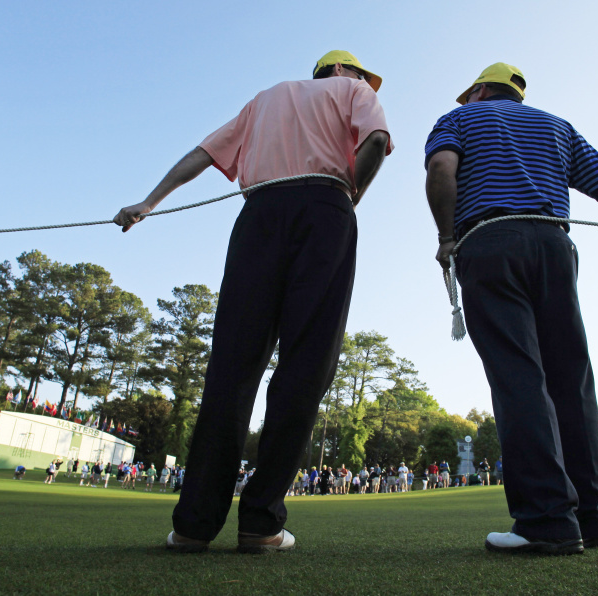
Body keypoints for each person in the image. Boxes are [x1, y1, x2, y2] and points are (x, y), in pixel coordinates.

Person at [117, 49, 392, 554]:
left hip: (260, 215)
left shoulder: (265, 98)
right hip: (324, 208)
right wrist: (350, 195)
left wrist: (148, 203)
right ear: (338, 71)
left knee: (232, 365)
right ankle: (261, 522)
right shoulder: (354, 92)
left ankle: (194, 526)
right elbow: (375, 140)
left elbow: (202, 154)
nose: (365, 82)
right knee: (306, 364)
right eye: (359, 73)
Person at [425, 63, 598, 555]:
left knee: (519, 377)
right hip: (554, 245)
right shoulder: (556, 126)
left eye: (470, 94)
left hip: (489, 243)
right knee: (571, 381)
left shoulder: (458, 119)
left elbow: (441, 170)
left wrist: (446, 238)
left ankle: (547, 521)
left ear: (481, 90)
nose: (466, 100)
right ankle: (591, 522)